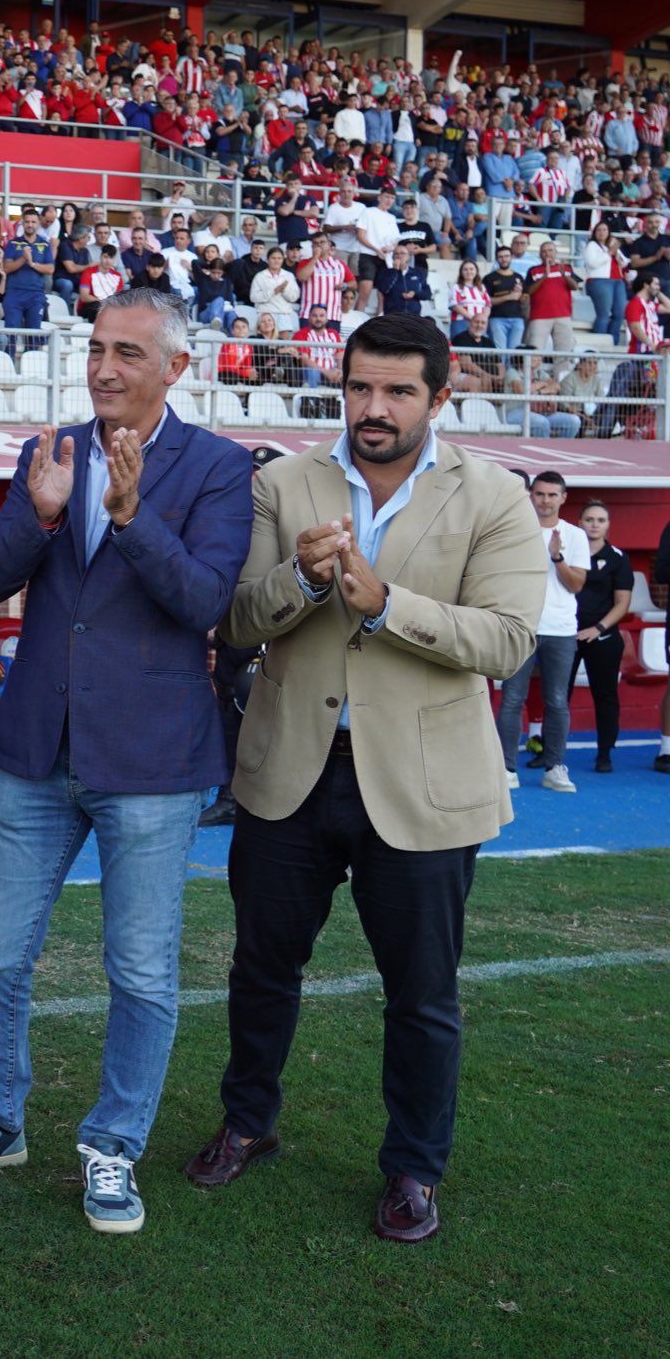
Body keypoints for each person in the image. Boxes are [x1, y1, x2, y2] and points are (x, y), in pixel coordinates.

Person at [185, 313, 544, 1244]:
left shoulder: (497, 495)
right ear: (340, 386)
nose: (374, 409)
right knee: (262, 968)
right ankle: (248, 1120)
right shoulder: (280, 481)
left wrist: (388, 606)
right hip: (288, 774)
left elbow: (507, 639)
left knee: (422, 992)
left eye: (398, 392)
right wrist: (301, 585)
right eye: (360, 388)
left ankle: (414, 1168)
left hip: (423, 785)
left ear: (440, 396)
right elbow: (231, 622)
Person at [0, 288, 253, 1235]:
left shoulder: (221, 469)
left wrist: (136, 520)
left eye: (129, 353)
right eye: (97, 348)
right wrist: (45, 517)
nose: (104, 367)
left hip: (152, 761)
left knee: (140, 971)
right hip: (35, 752)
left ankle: (113, 1146)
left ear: (177, 368)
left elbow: (203, 601)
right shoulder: (48, 452)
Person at [494, 471, 588, 793]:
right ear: (531, 495)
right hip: (521, 627)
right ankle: (506, 769)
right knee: (511, 700)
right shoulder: (514, 532)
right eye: (540, 494)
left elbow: (576, 584)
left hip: (561, 630)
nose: (545, 501)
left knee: (557, 701)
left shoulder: (575, 536)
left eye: (552, 495)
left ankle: (555, 768)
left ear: (563, 498)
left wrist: (557, 557)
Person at [569, 501, 632, 775]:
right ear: (580, 522)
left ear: (608, 524)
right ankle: (550, 751)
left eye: (601, 520)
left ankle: (604, 754)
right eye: (589, 519)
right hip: (566, 635)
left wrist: (598, 629)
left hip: (603, 638)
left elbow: (622, 603)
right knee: (558, 696)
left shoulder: (618, 557)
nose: (594, 524)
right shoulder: (567, 553)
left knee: (605, 696)